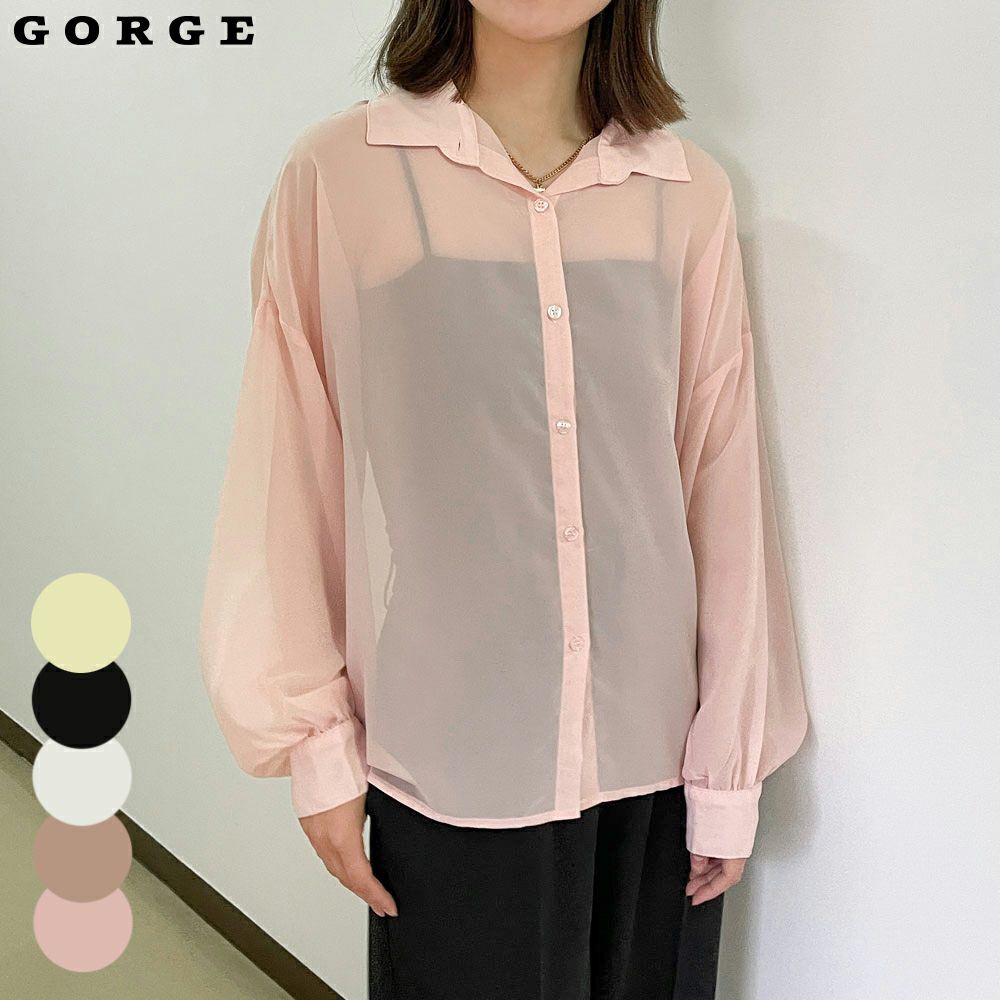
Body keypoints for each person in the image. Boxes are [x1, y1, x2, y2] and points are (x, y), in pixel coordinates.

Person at [199, 1, 810, 996]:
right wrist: (317, 745)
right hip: (452, 758)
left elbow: (719, 481)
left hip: (656, 761)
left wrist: (729, 767)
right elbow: (289, 470)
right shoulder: (344, 174)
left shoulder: (685, 192)